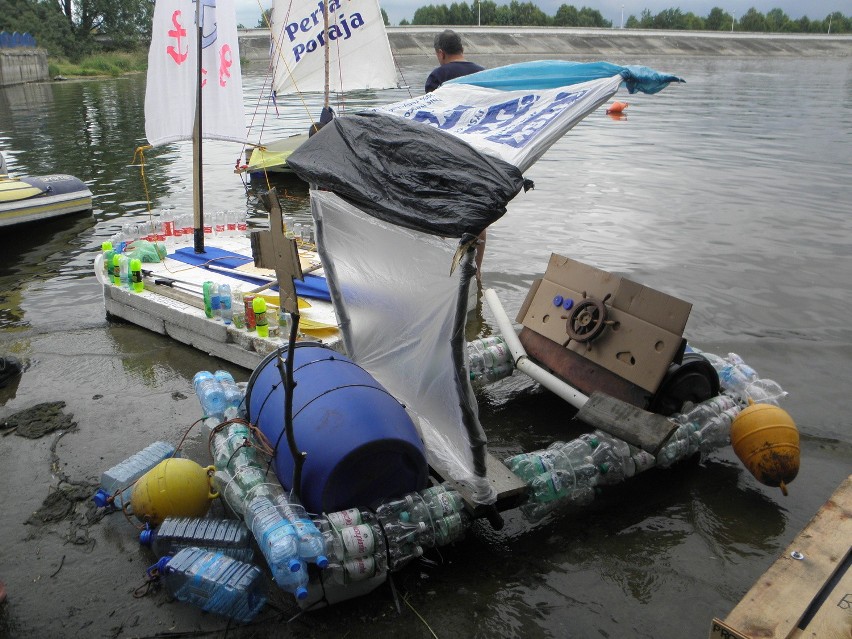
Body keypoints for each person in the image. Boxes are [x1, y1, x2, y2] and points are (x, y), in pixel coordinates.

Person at [425, 30, 488, 279]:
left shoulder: (437, 76)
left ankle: (446, 270)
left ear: (441, 53)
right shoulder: (484, 74)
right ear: (461, 48)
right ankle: (477, 272)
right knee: (480, 215)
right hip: (479, 154)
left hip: (447, 154)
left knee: (443, 210)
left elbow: (429, 116)